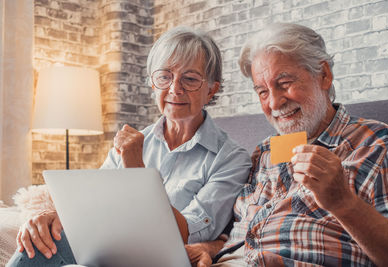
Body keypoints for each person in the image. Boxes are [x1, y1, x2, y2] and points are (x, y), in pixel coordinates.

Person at [7, 26, 252, 266]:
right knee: (43, 241)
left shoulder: (231, 159)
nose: (175, 89)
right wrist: (52, 218)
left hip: (160, 259)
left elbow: (184, 235)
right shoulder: (132, 141)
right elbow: (91, 207)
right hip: (109, 247)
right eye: (164, 77)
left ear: (211, 90)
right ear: (153, 83)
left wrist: (135, 169)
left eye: (189, 79)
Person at [186, 22, 388, 267]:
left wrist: (343, 202)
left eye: (284, 83)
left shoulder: (378, 144)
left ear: (324, 75)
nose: (275, 103)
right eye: (262, 92)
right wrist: (210, 248)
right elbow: (246, 230)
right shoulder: (264, 152)